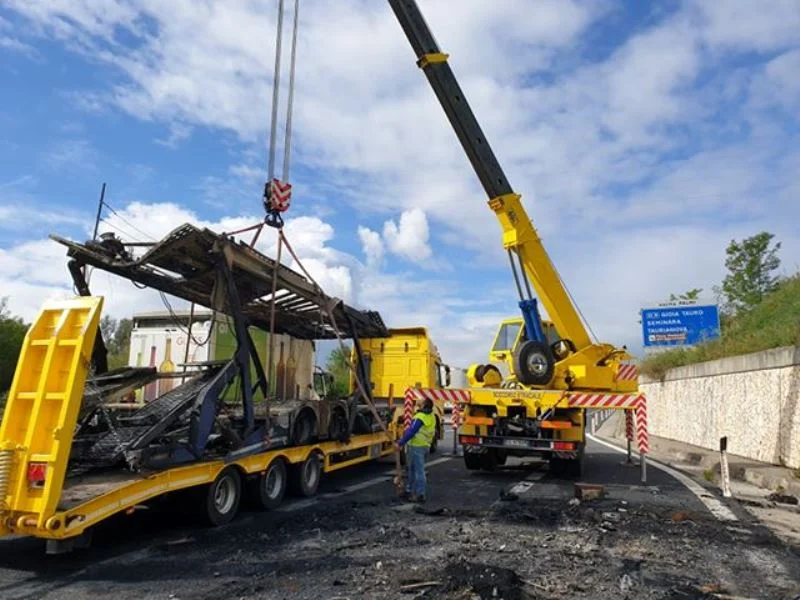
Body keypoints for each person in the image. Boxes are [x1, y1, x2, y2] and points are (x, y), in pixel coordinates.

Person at [396, 397, 435, 502]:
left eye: (421, 400)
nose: (418, 400)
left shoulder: (420, 417)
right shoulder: (431, 416)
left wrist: (400, 442)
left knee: (418, 471)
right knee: (413, 470)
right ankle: (409, 490)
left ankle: (420, 494)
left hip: (416, 446)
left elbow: (411, 432)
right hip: (425, 445)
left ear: (424, 405)